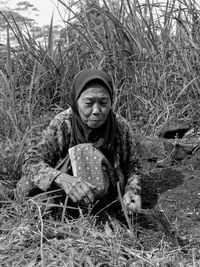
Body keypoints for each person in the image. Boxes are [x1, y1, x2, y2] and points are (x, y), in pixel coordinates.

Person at [16, 69, 142, 220]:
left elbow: (132, 166)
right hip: (68, 193)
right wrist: (63, 179)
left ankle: (101, 210)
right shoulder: (63, 123)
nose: (96, 111)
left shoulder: (120, 127)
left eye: (103, 103)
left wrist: (131, 192)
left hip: (106, 194)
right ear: (76, 101)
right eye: (88, 103)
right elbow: (31, 161)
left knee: (88, 153)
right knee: (29, 190)